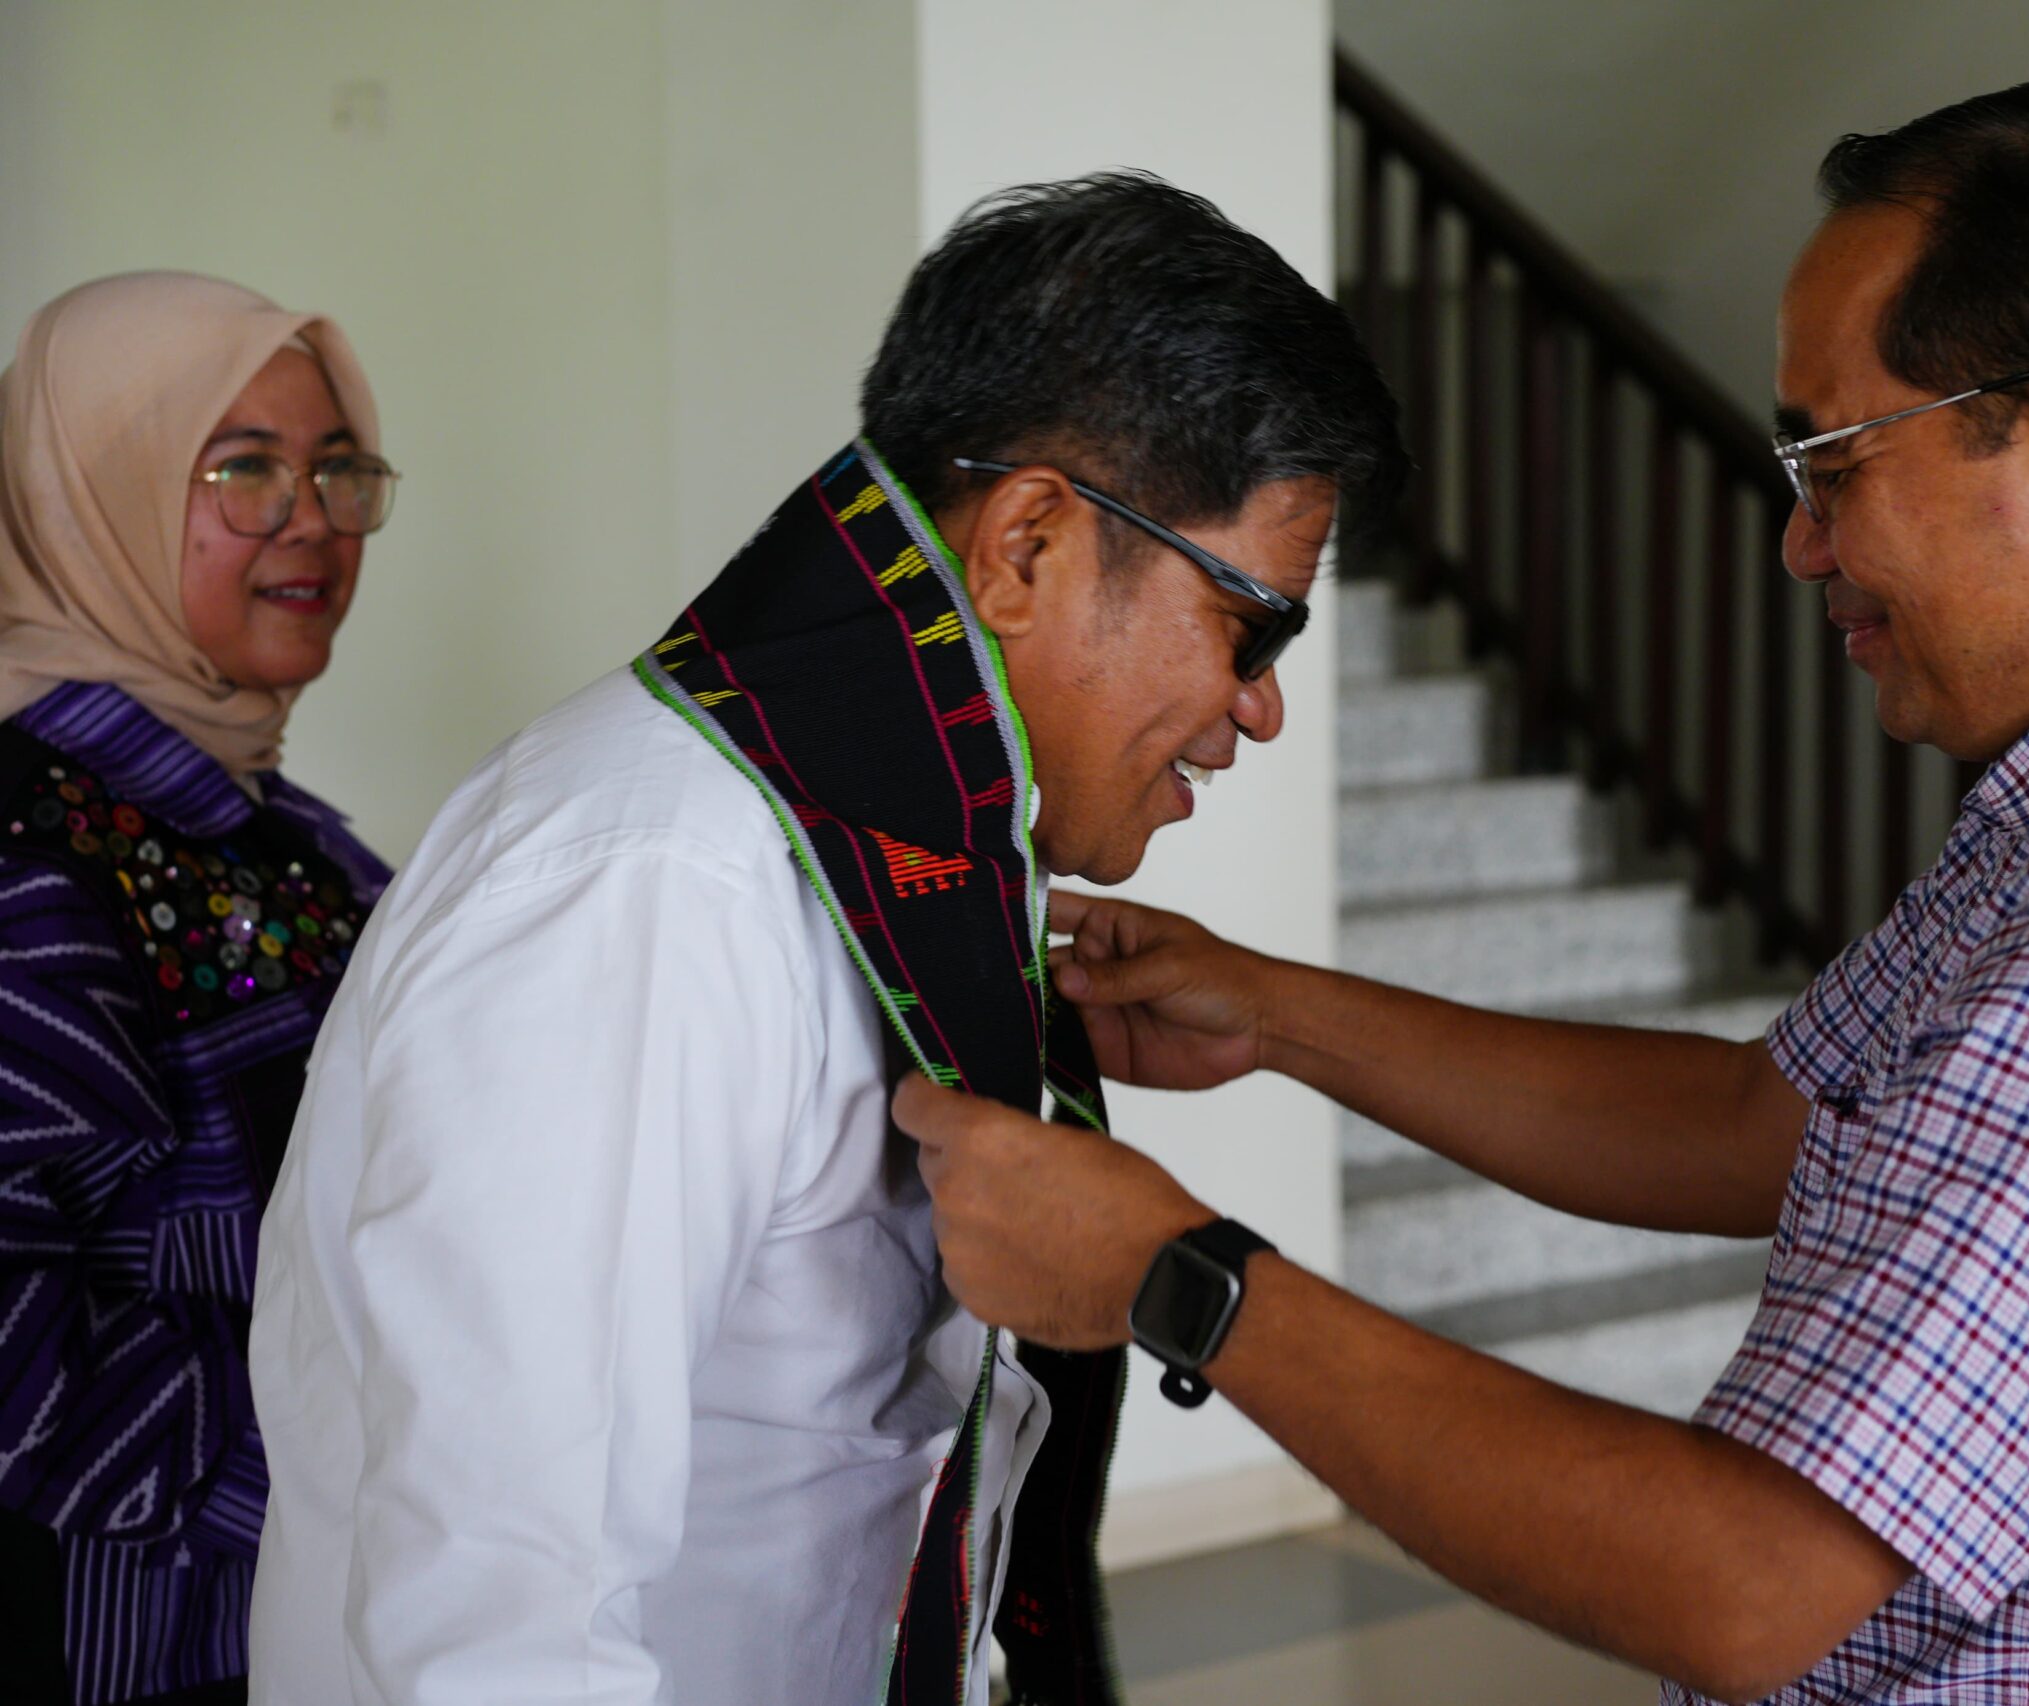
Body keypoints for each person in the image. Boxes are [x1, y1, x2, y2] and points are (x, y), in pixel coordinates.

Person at [895, 80, 2029, 1703]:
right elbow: (1755, 1118)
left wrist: (1176, 1273)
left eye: (1833, 461)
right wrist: (1277, 1013)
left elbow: (1743, 1578)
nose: (1799, 545)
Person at [245, 174, 1400, 1706]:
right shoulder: (649, 885)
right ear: (1029, 543)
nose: (1261, 707)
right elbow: (493, 1623)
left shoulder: (899, 850)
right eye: (1252, 626)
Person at [0, 272, 396, 1706]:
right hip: (127, 1653)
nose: (311, 518)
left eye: (339, 468)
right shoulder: (30, 860)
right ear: (91, 496)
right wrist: (366, 1448)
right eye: (241, 468)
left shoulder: (289, 841)